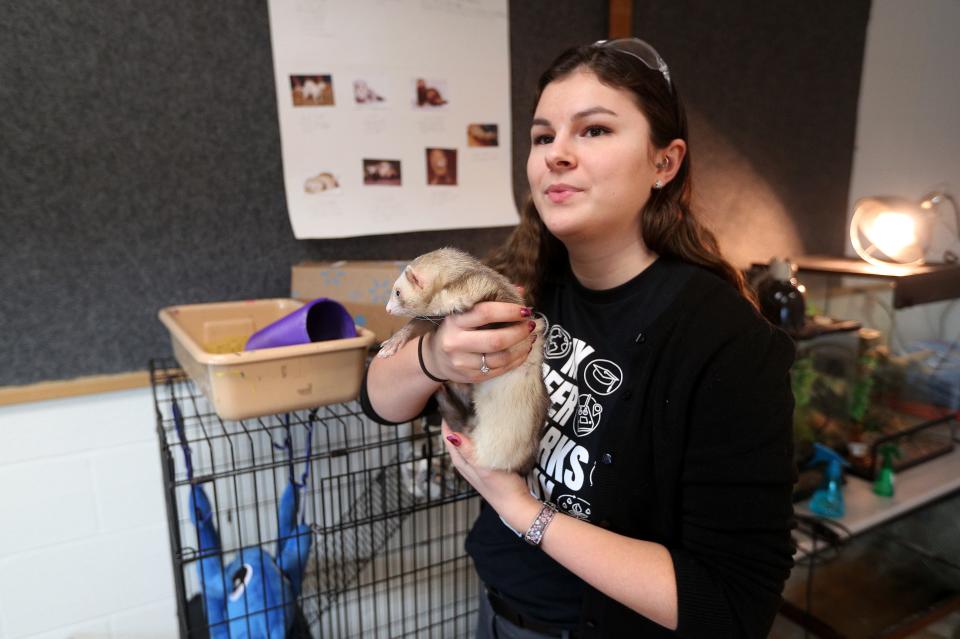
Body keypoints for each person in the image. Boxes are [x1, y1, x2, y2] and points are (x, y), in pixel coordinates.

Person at [362, 38, 796, 638]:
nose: (556, 156)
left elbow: (730, 606)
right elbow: (379, 400)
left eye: (593, 131)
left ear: (664, 163)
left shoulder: (723, 343)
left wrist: (521, 510)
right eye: (543, 137)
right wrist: (434, 356)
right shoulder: (522, 280)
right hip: (498, 613)